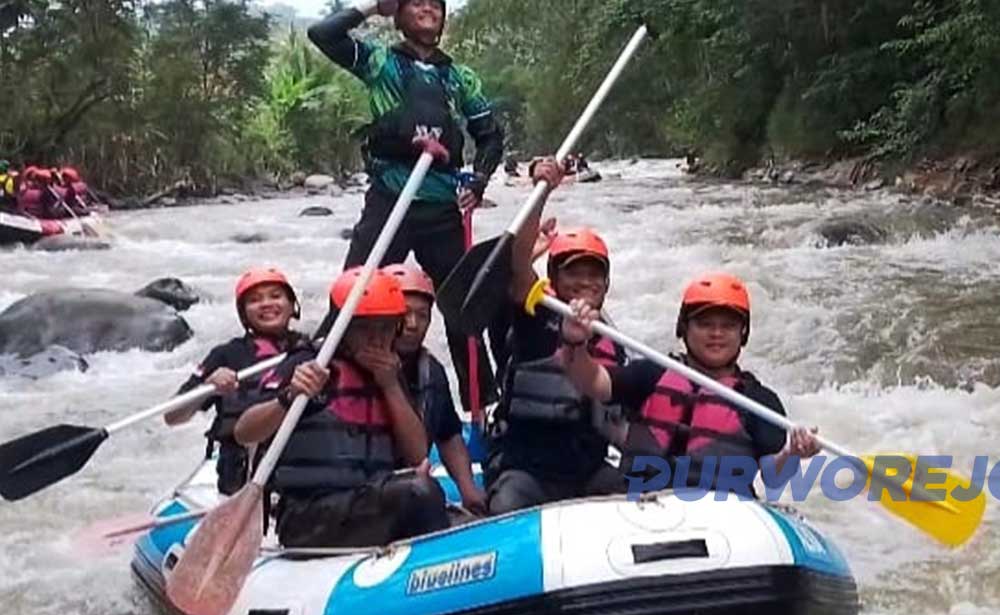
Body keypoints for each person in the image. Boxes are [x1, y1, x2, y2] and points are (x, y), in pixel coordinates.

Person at [308, 0, 505, 404]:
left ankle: (482, 409)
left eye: (435, 4)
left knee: (463, 307)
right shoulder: (380, 62)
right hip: (389, 199)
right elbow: (323, 35)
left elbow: (489, 134)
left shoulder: (459, 77)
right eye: (416, 2)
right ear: (399, 15)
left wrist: (480, 180)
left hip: (441, 206)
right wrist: (371, 8)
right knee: (352, 295)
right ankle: (320, 394)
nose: (428, 9)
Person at [559, 272, 822, 498]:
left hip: (720, 519)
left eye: (728, 326)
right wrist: (576, 343)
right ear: (684, 328)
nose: (716, 334)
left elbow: (774, 478)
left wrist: (793, 453)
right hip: (641, 508)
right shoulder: (653, 372)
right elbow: (593, 382)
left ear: (743, 333)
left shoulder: (758, 400)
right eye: (705, 324)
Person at [235, 268, 445, 548]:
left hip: (365, 505)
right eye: (365, 328)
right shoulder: (310, 363)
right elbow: (244, 431)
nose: (376, 339)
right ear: (343, 328)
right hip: (308, 517)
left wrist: (390, 386)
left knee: (423, 489)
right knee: (419, 491)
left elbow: (417, 453)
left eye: (384, 328)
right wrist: (288, 396)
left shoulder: (391, 373)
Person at [484, 159, 629, 515]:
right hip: (527, 472)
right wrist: (542, 191)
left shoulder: (612, 338)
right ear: (554, 278)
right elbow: (519, 268)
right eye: (573, 273)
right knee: (507, 502)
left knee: (632, 496)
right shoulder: (536, 316)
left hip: (587, 472)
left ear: (607, 283)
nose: (584, 283)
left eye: (594, 275)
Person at [164, 268, 310, 495]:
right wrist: (207, 388)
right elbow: (172, 416)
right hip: (240, 476)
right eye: (254, 300)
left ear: (292, 306)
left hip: (299, 471)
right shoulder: (227, 355)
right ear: (243, 314)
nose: (266, 304)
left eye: (275, 296)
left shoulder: (314, 351)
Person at [383, 262, 487, 515]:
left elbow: (448, 434)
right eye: (403, 313)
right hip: (365, 485)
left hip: (407, 480)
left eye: (423, 315)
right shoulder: (348, 366)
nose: (413, 324)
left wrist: (467, 488)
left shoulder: (431, 371)